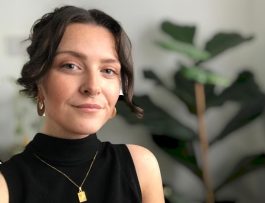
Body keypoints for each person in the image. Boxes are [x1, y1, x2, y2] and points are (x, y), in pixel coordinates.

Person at [0, 5, 164, 203]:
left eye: (108, 70)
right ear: (39, 81)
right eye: (71, 66)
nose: (93, 87)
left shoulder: (140, 167)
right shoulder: (5, 185)